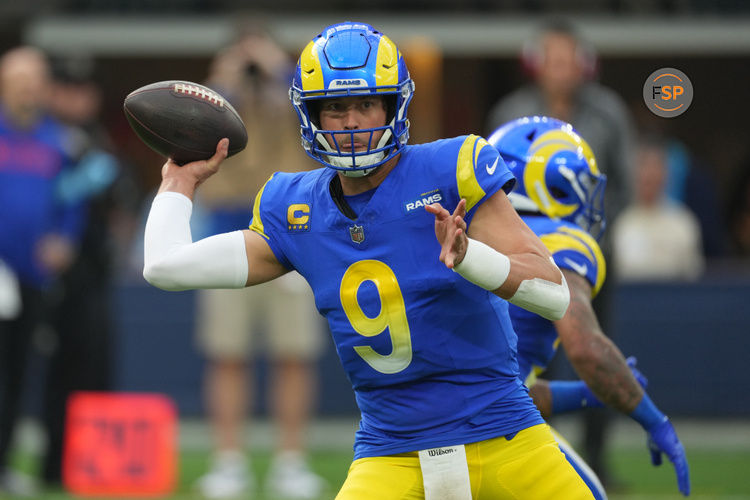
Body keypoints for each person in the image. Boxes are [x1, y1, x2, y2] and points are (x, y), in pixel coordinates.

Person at [142, 22, 594, 499]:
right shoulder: (292, 206)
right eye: (335, 107)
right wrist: (179, 182)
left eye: (365, 104)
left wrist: (470, 258)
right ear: (311, 113)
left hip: (508, 439)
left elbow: (554, 295)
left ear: (393, 106)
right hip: (390, 452)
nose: (352, 121)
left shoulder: (452, 168)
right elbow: (164, 266)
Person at [488, 115, 691, 498]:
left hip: (422, 427)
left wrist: (588, 393)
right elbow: (585, 347)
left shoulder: (465, 237)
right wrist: (652, 419)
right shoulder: (562, 242)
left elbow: (504, 389)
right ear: (552, 187)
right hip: (489, 433)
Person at [485, 19, 636, 482]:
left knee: (592, 349)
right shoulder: (510, 111)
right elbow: (491, 186)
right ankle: (531, 449)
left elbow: (622, 184)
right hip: (524, 255)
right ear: (536, 63)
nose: (561, 67)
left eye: (569, 56)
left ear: (585, 64)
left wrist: (581, 238)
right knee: (529, 359)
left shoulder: (608, 112)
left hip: (589, 256)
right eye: (552, 56)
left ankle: (597, 455)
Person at [194, 26, 325, 499]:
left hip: (291, 235)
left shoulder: (296, 96)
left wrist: (282, 71)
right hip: (227, 231)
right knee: (227, 354)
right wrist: (224, 84)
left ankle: (291, 460)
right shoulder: (216, 99)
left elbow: (316, 124)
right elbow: (196, 136)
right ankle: (229, 460)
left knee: (293, 354)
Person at [40, 54, 136, 488]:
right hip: (56, 272)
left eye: (84, 91)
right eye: (68, 90)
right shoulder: (44, 136)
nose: (77, 99)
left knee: (96, 366)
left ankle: (91, 464)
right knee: (61, 371)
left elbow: (121, 200)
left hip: (97, 270)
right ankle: (55, 467)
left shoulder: (98, 137)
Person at [0, 46, 84, 497]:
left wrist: (64, 239)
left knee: (18, 374)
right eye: (18, 79)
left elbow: (70, 203)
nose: (27, 88)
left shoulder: (58, 142)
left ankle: (8, 461)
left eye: (34, 79)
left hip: (32, 279)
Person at [612, 137, 704, 281]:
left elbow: (693, 276)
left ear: (665, 174)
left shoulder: (683, 223)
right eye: (644, 167)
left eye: (655, 167)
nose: (650, 174)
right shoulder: (623, 224)